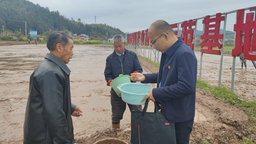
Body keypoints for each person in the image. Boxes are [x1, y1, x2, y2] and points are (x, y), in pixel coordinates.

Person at [130, 20, 197, 144]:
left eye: (153, 42)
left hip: (179, 117)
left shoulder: (184, 54)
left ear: (165, 36)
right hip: (168, 111)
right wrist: (144, 77)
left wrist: (156, 92)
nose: (153, 46)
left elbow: (186, 86)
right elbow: (164, 76)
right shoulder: (168, 53)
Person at [23, 32, 83, 144]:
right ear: (59, 47)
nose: (72, 53)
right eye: (71, 48)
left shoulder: (50, 67)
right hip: (45, 139)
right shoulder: (50, 73)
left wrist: (69, 107)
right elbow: (54, 114)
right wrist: (64, 141)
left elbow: (48, 101)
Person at [104, 35, 143, 129]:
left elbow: (138, 69)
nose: (118, 48)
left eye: (120, 46)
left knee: (137, 112)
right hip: (117, 91)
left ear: (124, 44)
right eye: (115, 46)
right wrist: (111, 81)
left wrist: (134, 75)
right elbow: (107, 74)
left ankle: (138, 131)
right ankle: (115, 131)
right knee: (116, 114)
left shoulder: (132, 55)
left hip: (132, 89)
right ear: (113, 45)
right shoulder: (110, 58)